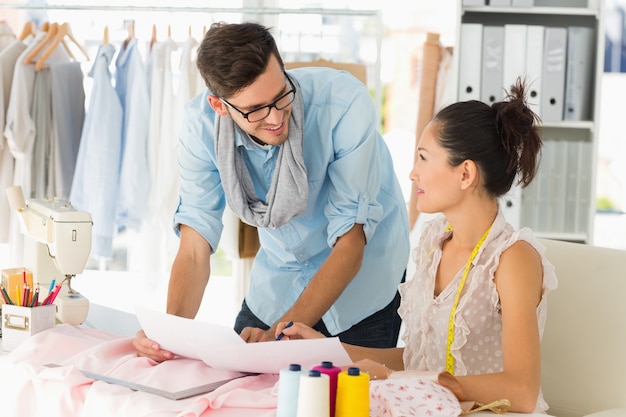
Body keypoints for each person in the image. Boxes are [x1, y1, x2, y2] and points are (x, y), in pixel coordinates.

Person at [277, 78, 558, 414]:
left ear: (465, 174)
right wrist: (326, 349)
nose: (413, 174)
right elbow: (414, 361)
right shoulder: (433, 243)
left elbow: (522, 392)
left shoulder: (512, 258)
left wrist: (404, 381)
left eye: (424, 158)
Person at [133, 21, 410, 360]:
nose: (277, 118)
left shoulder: (343, 103)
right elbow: (194, 248)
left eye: (281, 96)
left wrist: (276, 337)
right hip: (278, 281)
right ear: (220, 106)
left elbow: (351, 243)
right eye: (255, 110)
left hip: (362, 288)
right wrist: (170, 334)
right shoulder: (200, 127)